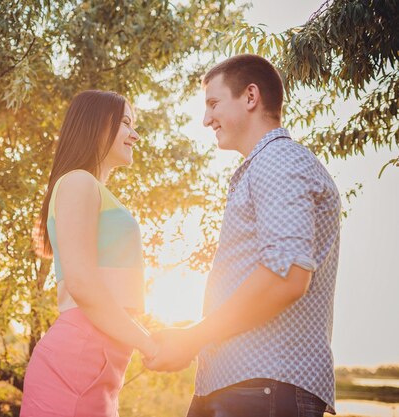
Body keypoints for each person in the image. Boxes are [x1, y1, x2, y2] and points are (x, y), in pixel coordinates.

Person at [144, 54, 342, 417]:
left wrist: (192, 338)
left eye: (213, 103)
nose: (206, 119)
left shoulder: (280, 159)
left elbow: (287, 277)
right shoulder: (263, 166)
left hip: (263, 388)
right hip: (240, 384)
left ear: (250, 97)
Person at [20, 90, 158, 417]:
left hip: (97, 364)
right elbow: (82, 284)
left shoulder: (90, 188)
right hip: (76, 362)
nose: (135, 135)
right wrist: (149, 344)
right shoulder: (78, 182)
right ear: (97, 125)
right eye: (126, 123)